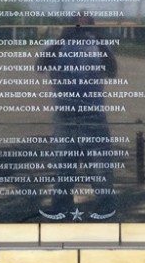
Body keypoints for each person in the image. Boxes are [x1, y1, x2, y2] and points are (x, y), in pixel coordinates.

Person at [37, 14, 118, 218]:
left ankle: (106, 209)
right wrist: (62, 39)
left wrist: (99, 40)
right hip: (64, 115)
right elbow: (40, 66)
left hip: (93, 114)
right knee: (63, 167)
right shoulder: (55, 45)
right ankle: (61, 208)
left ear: (93, 27)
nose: (80, 30)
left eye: (86, 26)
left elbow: (112, 71)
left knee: (100, 168)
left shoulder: (99, 46)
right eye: (76, 25)